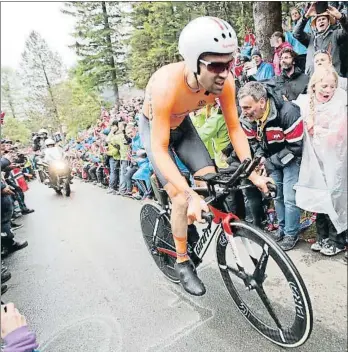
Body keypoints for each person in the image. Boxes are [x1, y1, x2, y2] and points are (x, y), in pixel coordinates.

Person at [139, 16, 272, 296]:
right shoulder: (165, 86)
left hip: (184, 128)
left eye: (230, 63)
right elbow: (161, 150)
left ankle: (191, 222)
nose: (224, 73)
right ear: (193, 62)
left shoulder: (225, 82)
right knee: (179, 195)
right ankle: (183, 261)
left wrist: (252, 172)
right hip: (156, 131)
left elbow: (235, 128)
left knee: (209, 181)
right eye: (215, 65)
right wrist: (187, 194)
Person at [238, 82, 303, 251]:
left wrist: (268, 162)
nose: (243, 112)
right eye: (242, 108)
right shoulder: (247, 119)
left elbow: (296, 147)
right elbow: (254, 143)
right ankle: (282, 230)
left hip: (291, 158)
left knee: (290, 198)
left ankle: (291, 234)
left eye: (247, 107)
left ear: (261, 101)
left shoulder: (289, 111)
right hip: (271, 159)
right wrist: (260, 158)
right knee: (276, 195)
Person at [293, 66, 347, 256]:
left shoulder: (339, 106)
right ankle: (322, 236)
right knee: (320, 198)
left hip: (335, 164)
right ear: (314, 86)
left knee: (335, 200)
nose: (328, 90)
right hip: (316, 163)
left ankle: (337, 240)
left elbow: (338, 136)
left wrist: (317, 130)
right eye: (324, 86)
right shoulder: (306, 104)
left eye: (333, 87)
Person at [293, 4, 348, 76]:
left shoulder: (336, 35)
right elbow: (296, 33)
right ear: (315, 25)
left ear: (328, 22)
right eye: (318, 20)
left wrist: (341, 17)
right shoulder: (309, 38)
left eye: (324, 19)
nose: (321, 21)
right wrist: (305, 17)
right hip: (313, 79)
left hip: (331, 79)